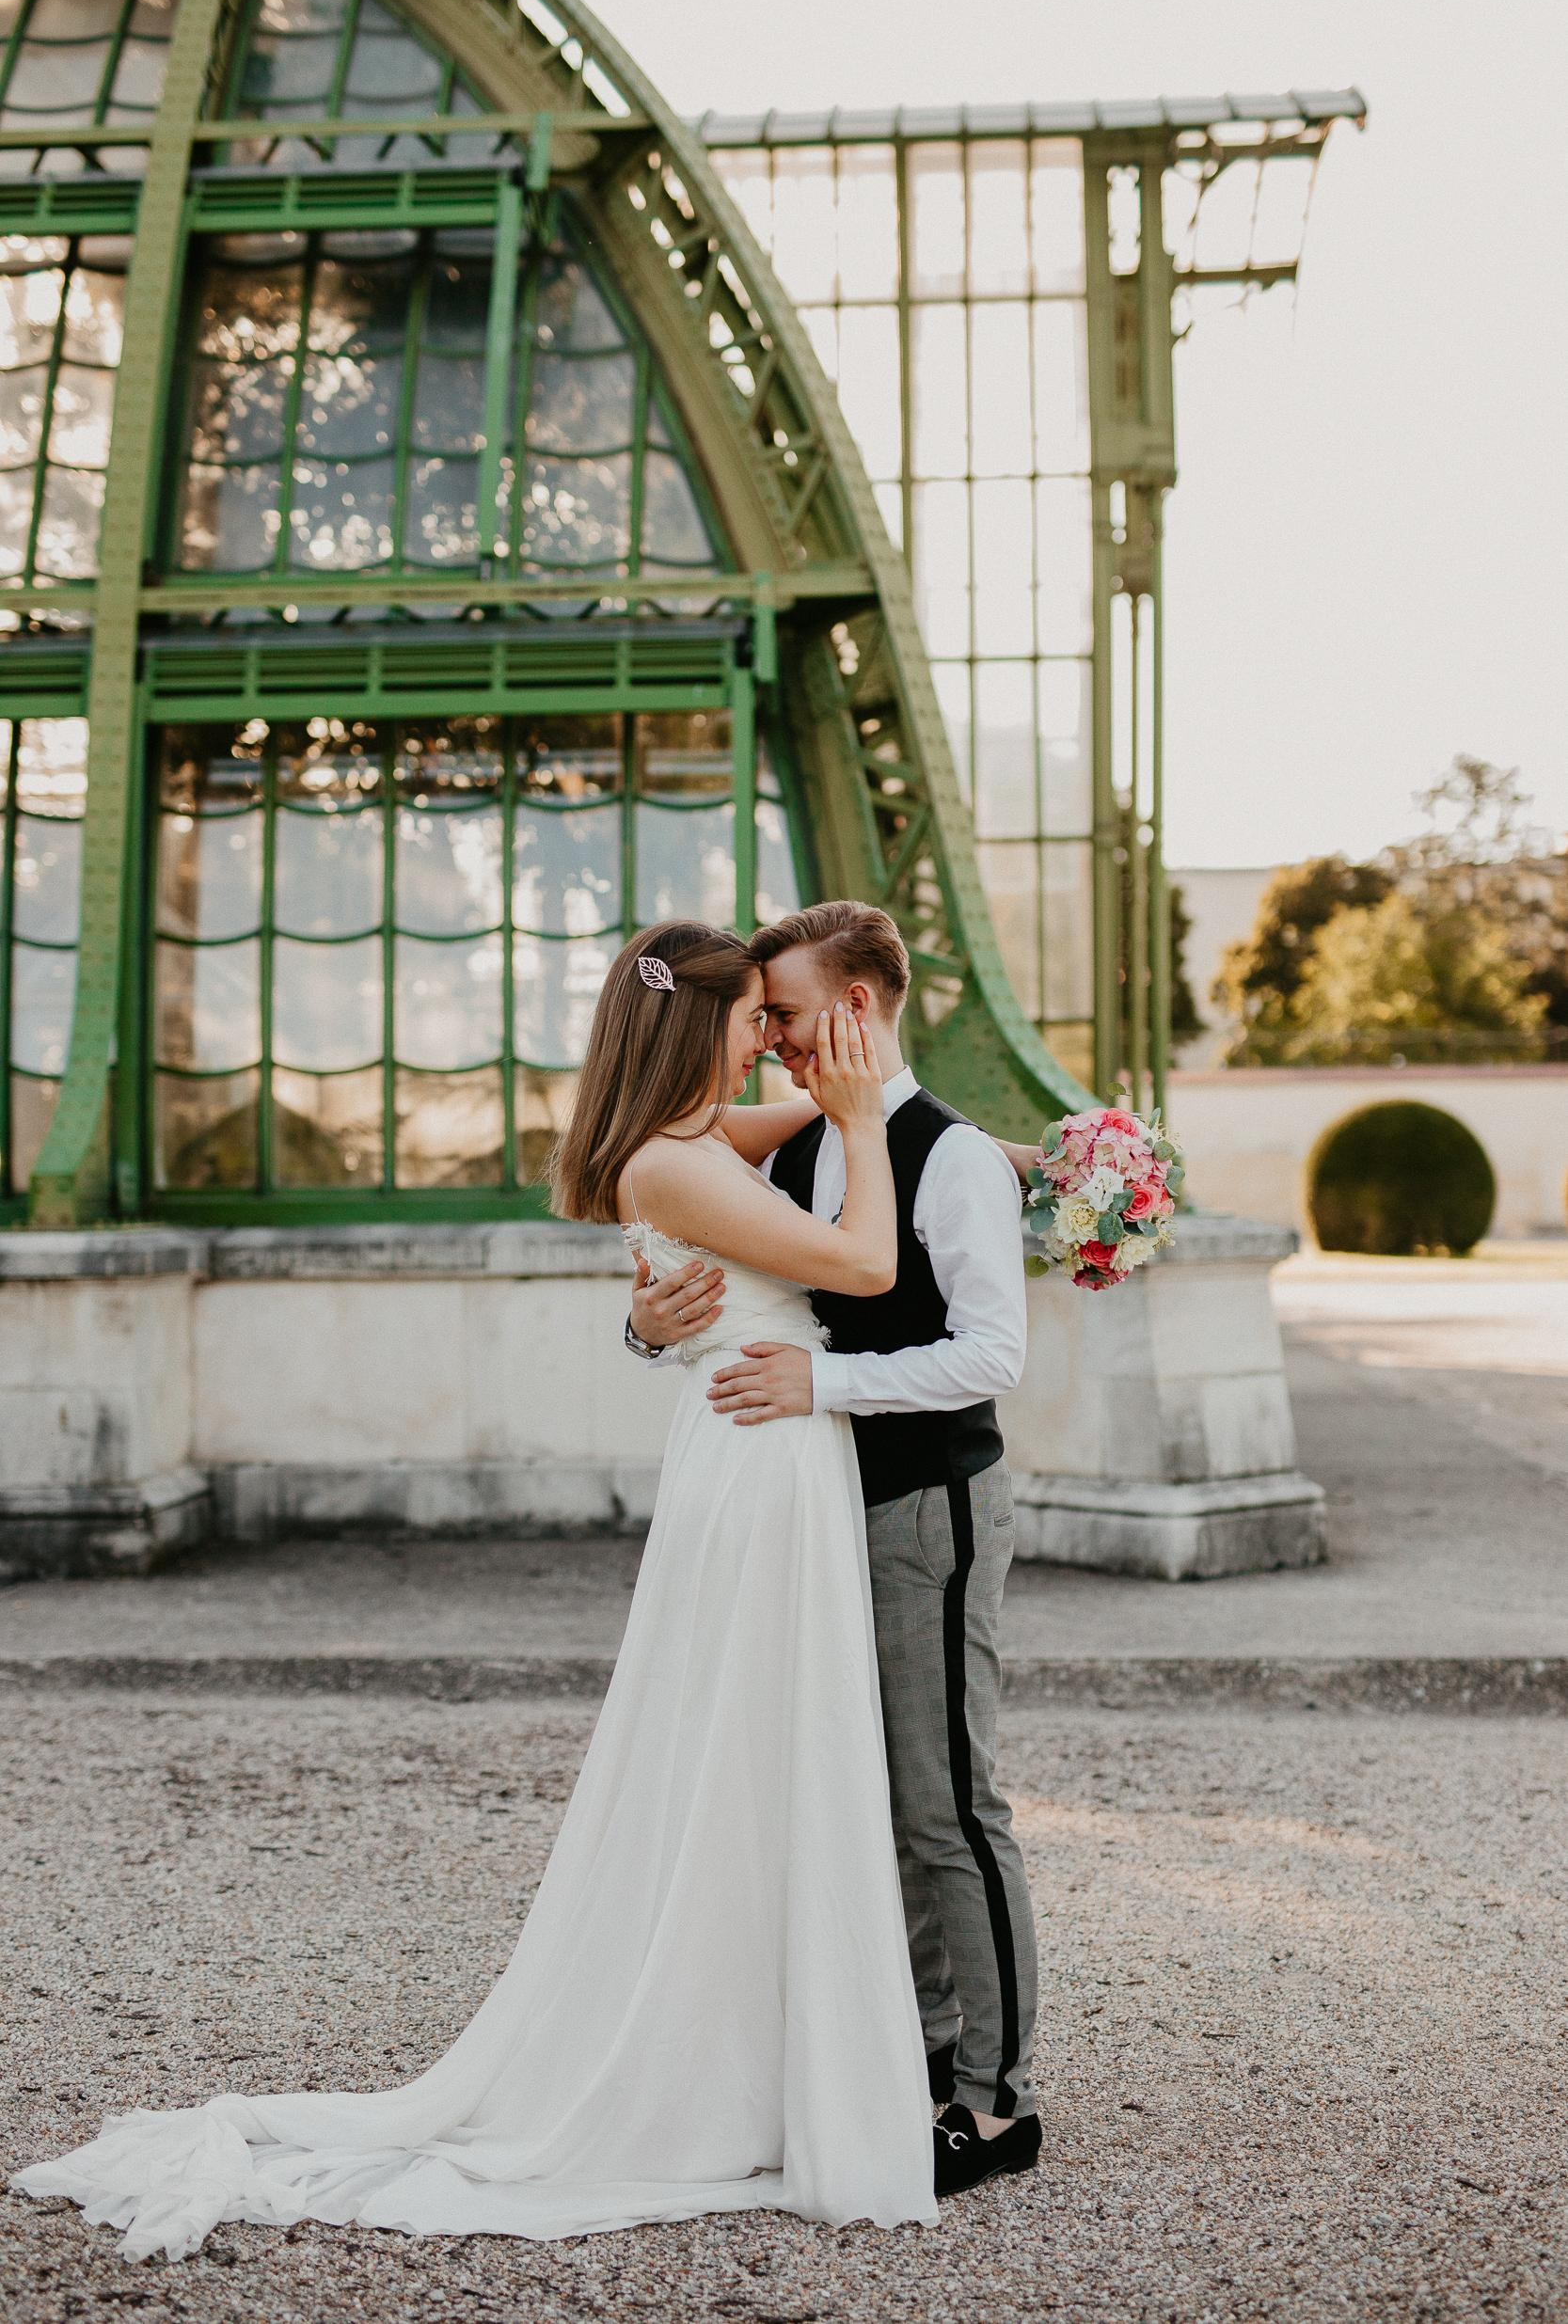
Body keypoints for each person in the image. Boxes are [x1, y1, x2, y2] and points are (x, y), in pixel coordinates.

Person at [16, 921, 939, 2259]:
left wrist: (1024, 1161)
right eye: (752, 1019)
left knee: (763, 1753)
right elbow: (863, 1263)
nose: (771, 1040)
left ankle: (769, 2044)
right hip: (762, 1460)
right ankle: (729, 2070)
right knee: (747, 1749)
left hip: (762, 1449)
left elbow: (871, 1109)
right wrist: (855, 1127)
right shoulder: (669, 1163)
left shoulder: (698, 1140)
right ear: (701, 1029)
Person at [628, 901, 1042, 2199]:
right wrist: (651, 1329)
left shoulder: (951, 1157)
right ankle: (909, 2064)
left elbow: (993, 1357)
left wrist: (823, 1389)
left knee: (945, 1806)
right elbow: (711, 1272)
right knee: (857, 1802)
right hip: (804, 1515)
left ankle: (994, 2101)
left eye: (791, 1019)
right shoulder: (807, 1141)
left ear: (856, 1012)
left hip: (924, 1505)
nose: (776, 1047)